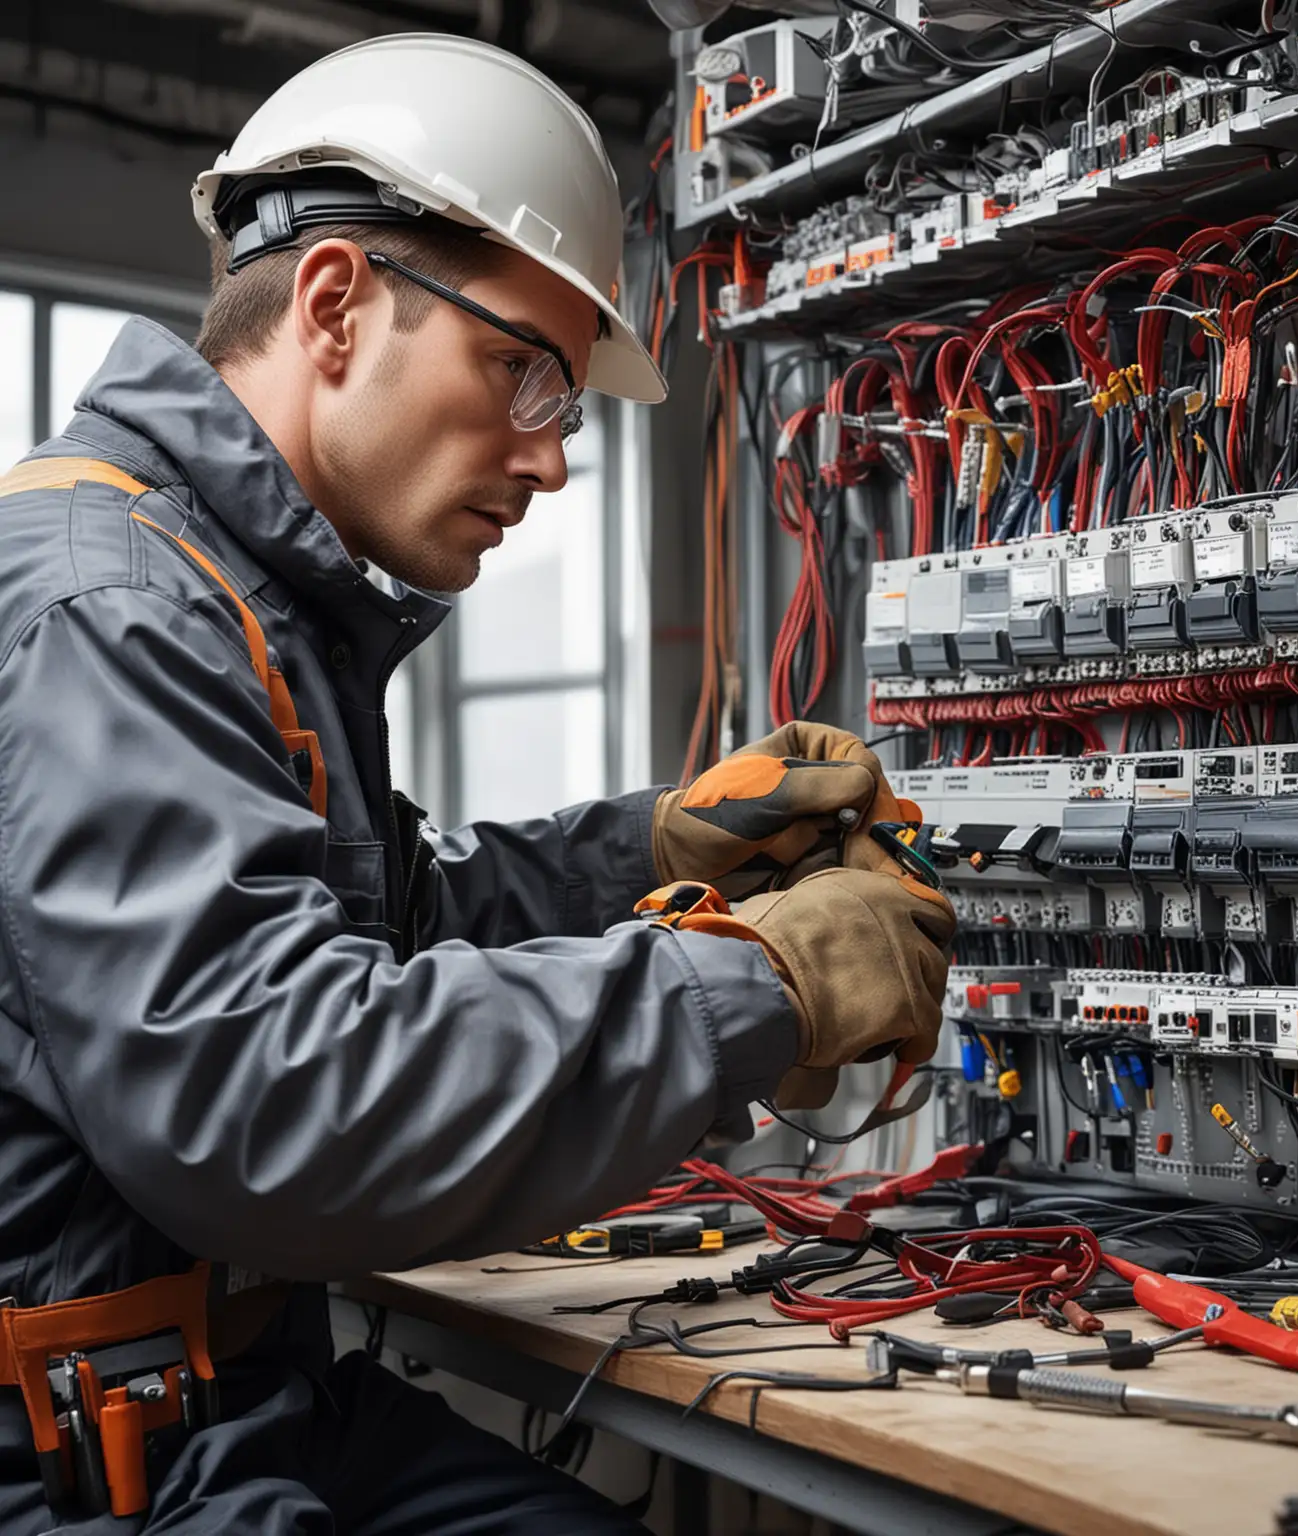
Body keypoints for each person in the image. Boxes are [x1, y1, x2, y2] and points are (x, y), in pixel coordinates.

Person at [0, 34, 954, 1535]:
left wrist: (647, 848)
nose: (554, 459)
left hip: (236, 1402)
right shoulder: (113, 604)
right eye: (523, 372)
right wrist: (757, 981)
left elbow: (375, 934)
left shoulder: (236, 595)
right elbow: (273, 1101)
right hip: (87, 1470)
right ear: (334, 307)